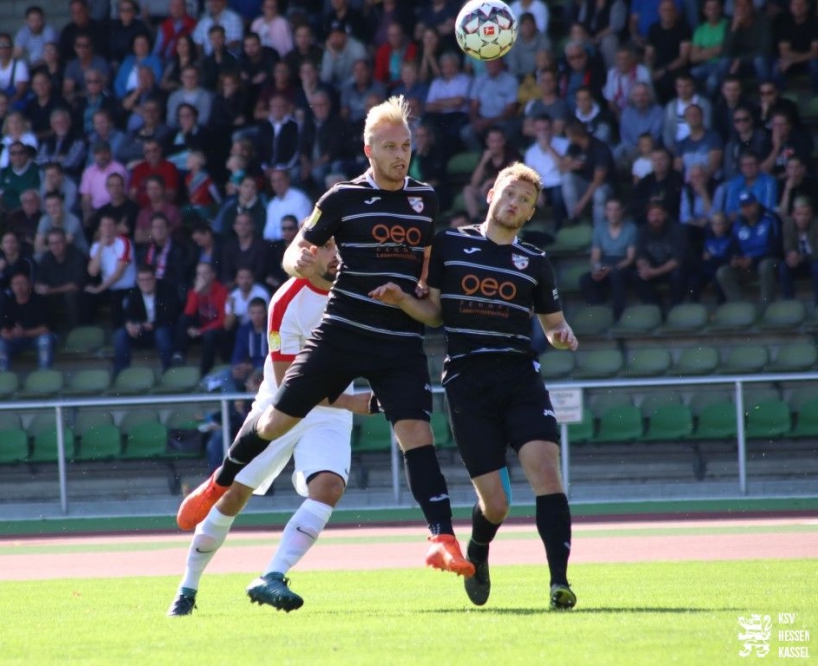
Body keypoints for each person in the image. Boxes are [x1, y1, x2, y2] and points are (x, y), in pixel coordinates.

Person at [177, 96, 474, 578]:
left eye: (406, 146)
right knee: (274, 419)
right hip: (343, 331)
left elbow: (422, 257)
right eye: (390, 147)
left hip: (398, 339)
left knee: (418, 436)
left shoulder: (425, 199)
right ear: (369, 150)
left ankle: (442, 537)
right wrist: (296, 258)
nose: (401, 155)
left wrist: (419, 285)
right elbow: (299, 247)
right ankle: (219, 481)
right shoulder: (341, 198)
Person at [369, 162, 578, 610]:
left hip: (520, 378)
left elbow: (554, 325)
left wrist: (561, 336)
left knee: (547, 473)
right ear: (490, 195)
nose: (515, 203)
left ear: (530, 214)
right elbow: (435, 314)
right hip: (468, 383)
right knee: (496, 505)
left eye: (525, 201)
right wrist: (403, 299)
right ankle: (479, 550)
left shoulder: (535, 262)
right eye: (510, 194)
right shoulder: (449, 243)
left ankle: (559, 583)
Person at [167, 241, 371, 616]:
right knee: (232, 496)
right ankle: (187, 588)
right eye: (327, 246)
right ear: (308, 253)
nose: (336, 254)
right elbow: (289, 382)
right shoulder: (287, 300)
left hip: (329, 413)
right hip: (280, 406)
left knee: (329, 488)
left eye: (339, 245)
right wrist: (350, 402)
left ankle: (273, 575)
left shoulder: (358, 290)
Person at [113, 266, 180, 373]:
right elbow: (128, 314)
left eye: (148, 279)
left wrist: (149, 325)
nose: (145, 283)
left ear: (154, 279)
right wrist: (130, 325)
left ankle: (168, 371)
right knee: (121, 334)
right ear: (137, 281)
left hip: (165, 331)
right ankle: (120, 373)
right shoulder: (135, 293)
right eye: (141, 280)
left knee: (161, 333)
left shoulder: (167, 290)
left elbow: (170, 316)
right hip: (143, 332)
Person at [0, 272, 54, 371]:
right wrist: (5, 333)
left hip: (36, 338)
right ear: (11, 287)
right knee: (1, 343)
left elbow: (46, 329)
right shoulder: (8, 302)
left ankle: (44, 374)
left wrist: (24, 333)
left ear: (29, 285)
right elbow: (3, 325)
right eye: (16, 284)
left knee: (45, 340)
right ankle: (4, 375)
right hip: (18, 339)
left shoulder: (40, 301)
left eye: (22, 283)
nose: (19, 287)